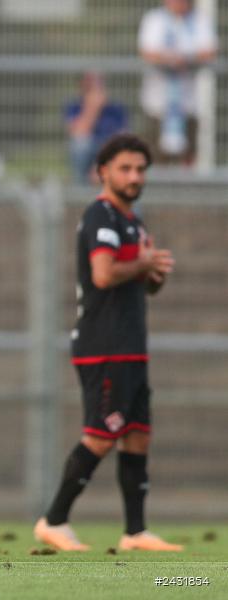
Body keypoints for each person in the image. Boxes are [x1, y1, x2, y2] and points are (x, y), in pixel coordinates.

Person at [34, 134, 182, 553]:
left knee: (137, 435)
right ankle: (54, 520)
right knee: (101, 435)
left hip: (131, 345)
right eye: (125, 169)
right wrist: (142, 263)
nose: (134, 177)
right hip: (105, 344)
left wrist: (154, 274)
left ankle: (135, 531)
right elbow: (102, 274)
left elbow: (140, 282)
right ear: (104, 172)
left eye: (140, 169)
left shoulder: (133, 220)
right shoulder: (101, 215)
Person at [138, 0, 217, 165]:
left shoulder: (199, 20)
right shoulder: (154, 20)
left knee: (187, 158)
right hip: (158, 105)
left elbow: (209, 51)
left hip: (188, 105)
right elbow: (147, 52)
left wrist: (187, 59)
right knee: (155, 158)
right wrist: (170, 60)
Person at [65, 73, 128, 184]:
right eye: (91, 81)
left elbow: (122, 136)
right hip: (88, 151)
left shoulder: (115, 107)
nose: (95, 86)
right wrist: (93, 107)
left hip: (107, 149)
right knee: (80, 145)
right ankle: (80, 188)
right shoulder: (74, 106)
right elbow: (79, 133)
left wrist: (100, 163)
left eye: (98, 81)